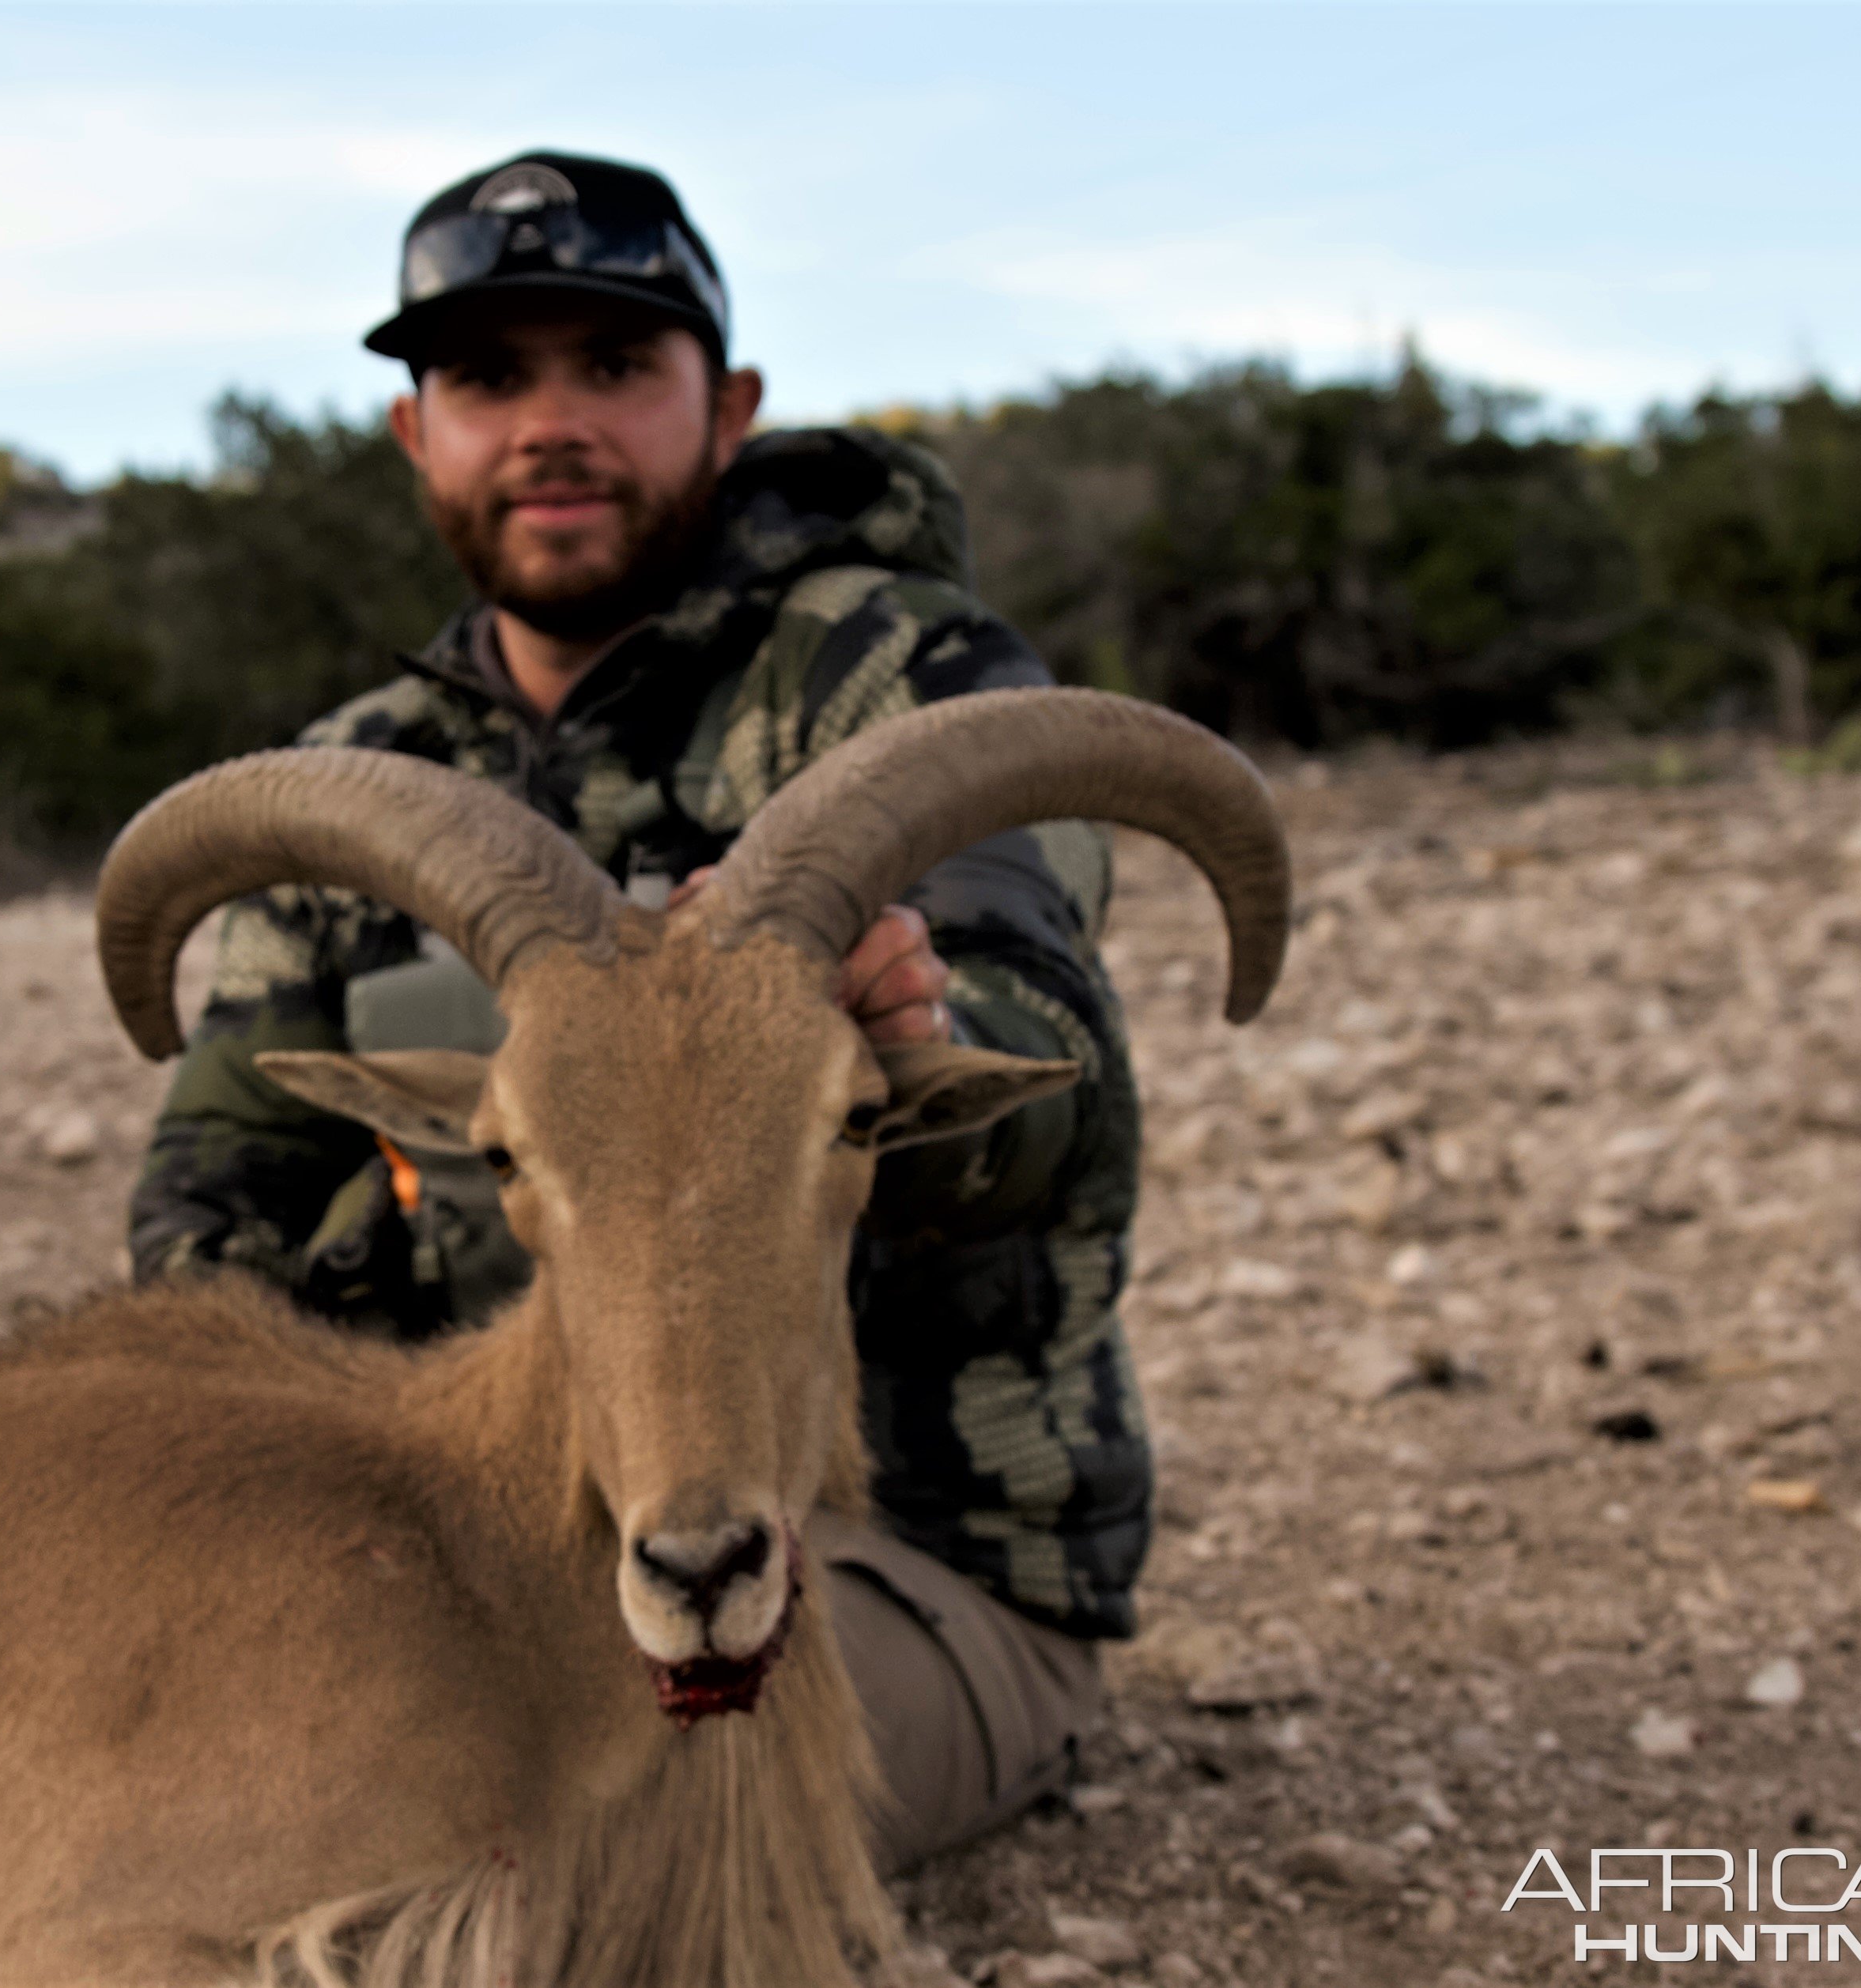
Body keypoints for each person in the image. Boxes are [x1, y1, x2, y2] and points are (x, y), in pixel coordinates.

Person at [127, 149, 1146, 1873]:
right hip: (456, 1533)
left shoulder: (903, 682)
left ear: (726, 405)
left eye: (613, 366)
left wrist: (902, 1035)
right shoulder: (361, 778)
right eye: (486, 377)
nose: (548, 423)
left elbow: (1042, 1075)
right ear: (414, 433)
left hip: (888, 1553)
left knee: (453, 1844)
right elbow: (204, 1210)